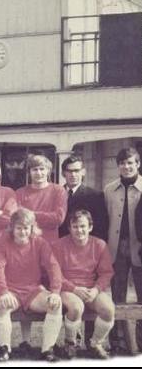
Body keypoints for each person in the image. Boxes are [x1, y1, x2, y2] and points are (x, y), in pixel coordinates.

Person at [0, 208, 64, 362]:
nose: (22, 232)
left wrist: (56, 292)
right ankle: (5, 348)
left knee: (55, 304)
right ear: (12, 228)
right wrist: (3, 292)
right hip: (11, 290)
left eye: (26, 228)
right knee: (2, 306)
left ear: (32, 228)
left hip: (33, 290)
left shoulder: (40, 243)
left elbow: (53, 267)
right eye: (19, 228)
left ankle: (47, 349)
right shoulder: (2, 242)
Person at [52, 210, 115, 359]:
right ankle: (70, 343)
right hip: (68, 287)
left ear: (90, 227)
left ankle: (95, 344)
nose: (79, 230)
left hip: (90, 288)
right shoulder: (58, 245)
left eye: (83, 226)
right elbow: (54, 274)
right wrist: (73, 288)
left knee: (108, 310)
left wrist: (96, 289)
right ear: (69, 228)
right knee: (76, 307)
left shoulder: (99, 245)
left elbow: (106, 273)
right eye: (75, 226)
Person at [104, 147, 142, 352]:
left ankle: (141, 342)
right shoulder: (109, 189)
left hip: (140, 248)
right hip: (116, 248)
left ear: (138, 164)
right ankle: (118, 341)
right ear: (117, 166)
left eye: (131, 163)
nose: (126, 167)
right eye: (122, 163)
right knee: (117, 296)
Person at [16, 154, 67, 242]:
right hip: (27, 243)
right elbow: (18, 219)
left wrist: (29, 214)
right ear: (29, 172)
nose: (39, 173)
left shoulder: (58, 190)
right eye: (35, 169)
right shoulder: (20, 192)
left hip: (50, 243)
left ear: (48, 171)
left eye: (42, 169)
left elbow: (58, 218)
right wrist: (46, 217)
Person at [58, 155, 108, 240]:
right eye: (69, 171)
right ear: (63, 173)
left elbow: (101, 227)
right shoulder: (56, 194)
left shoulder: (95, 196)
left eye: (76, 171)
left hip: (84, 246)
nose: (73, 174)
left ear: (83, 172)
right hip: (60, 245)